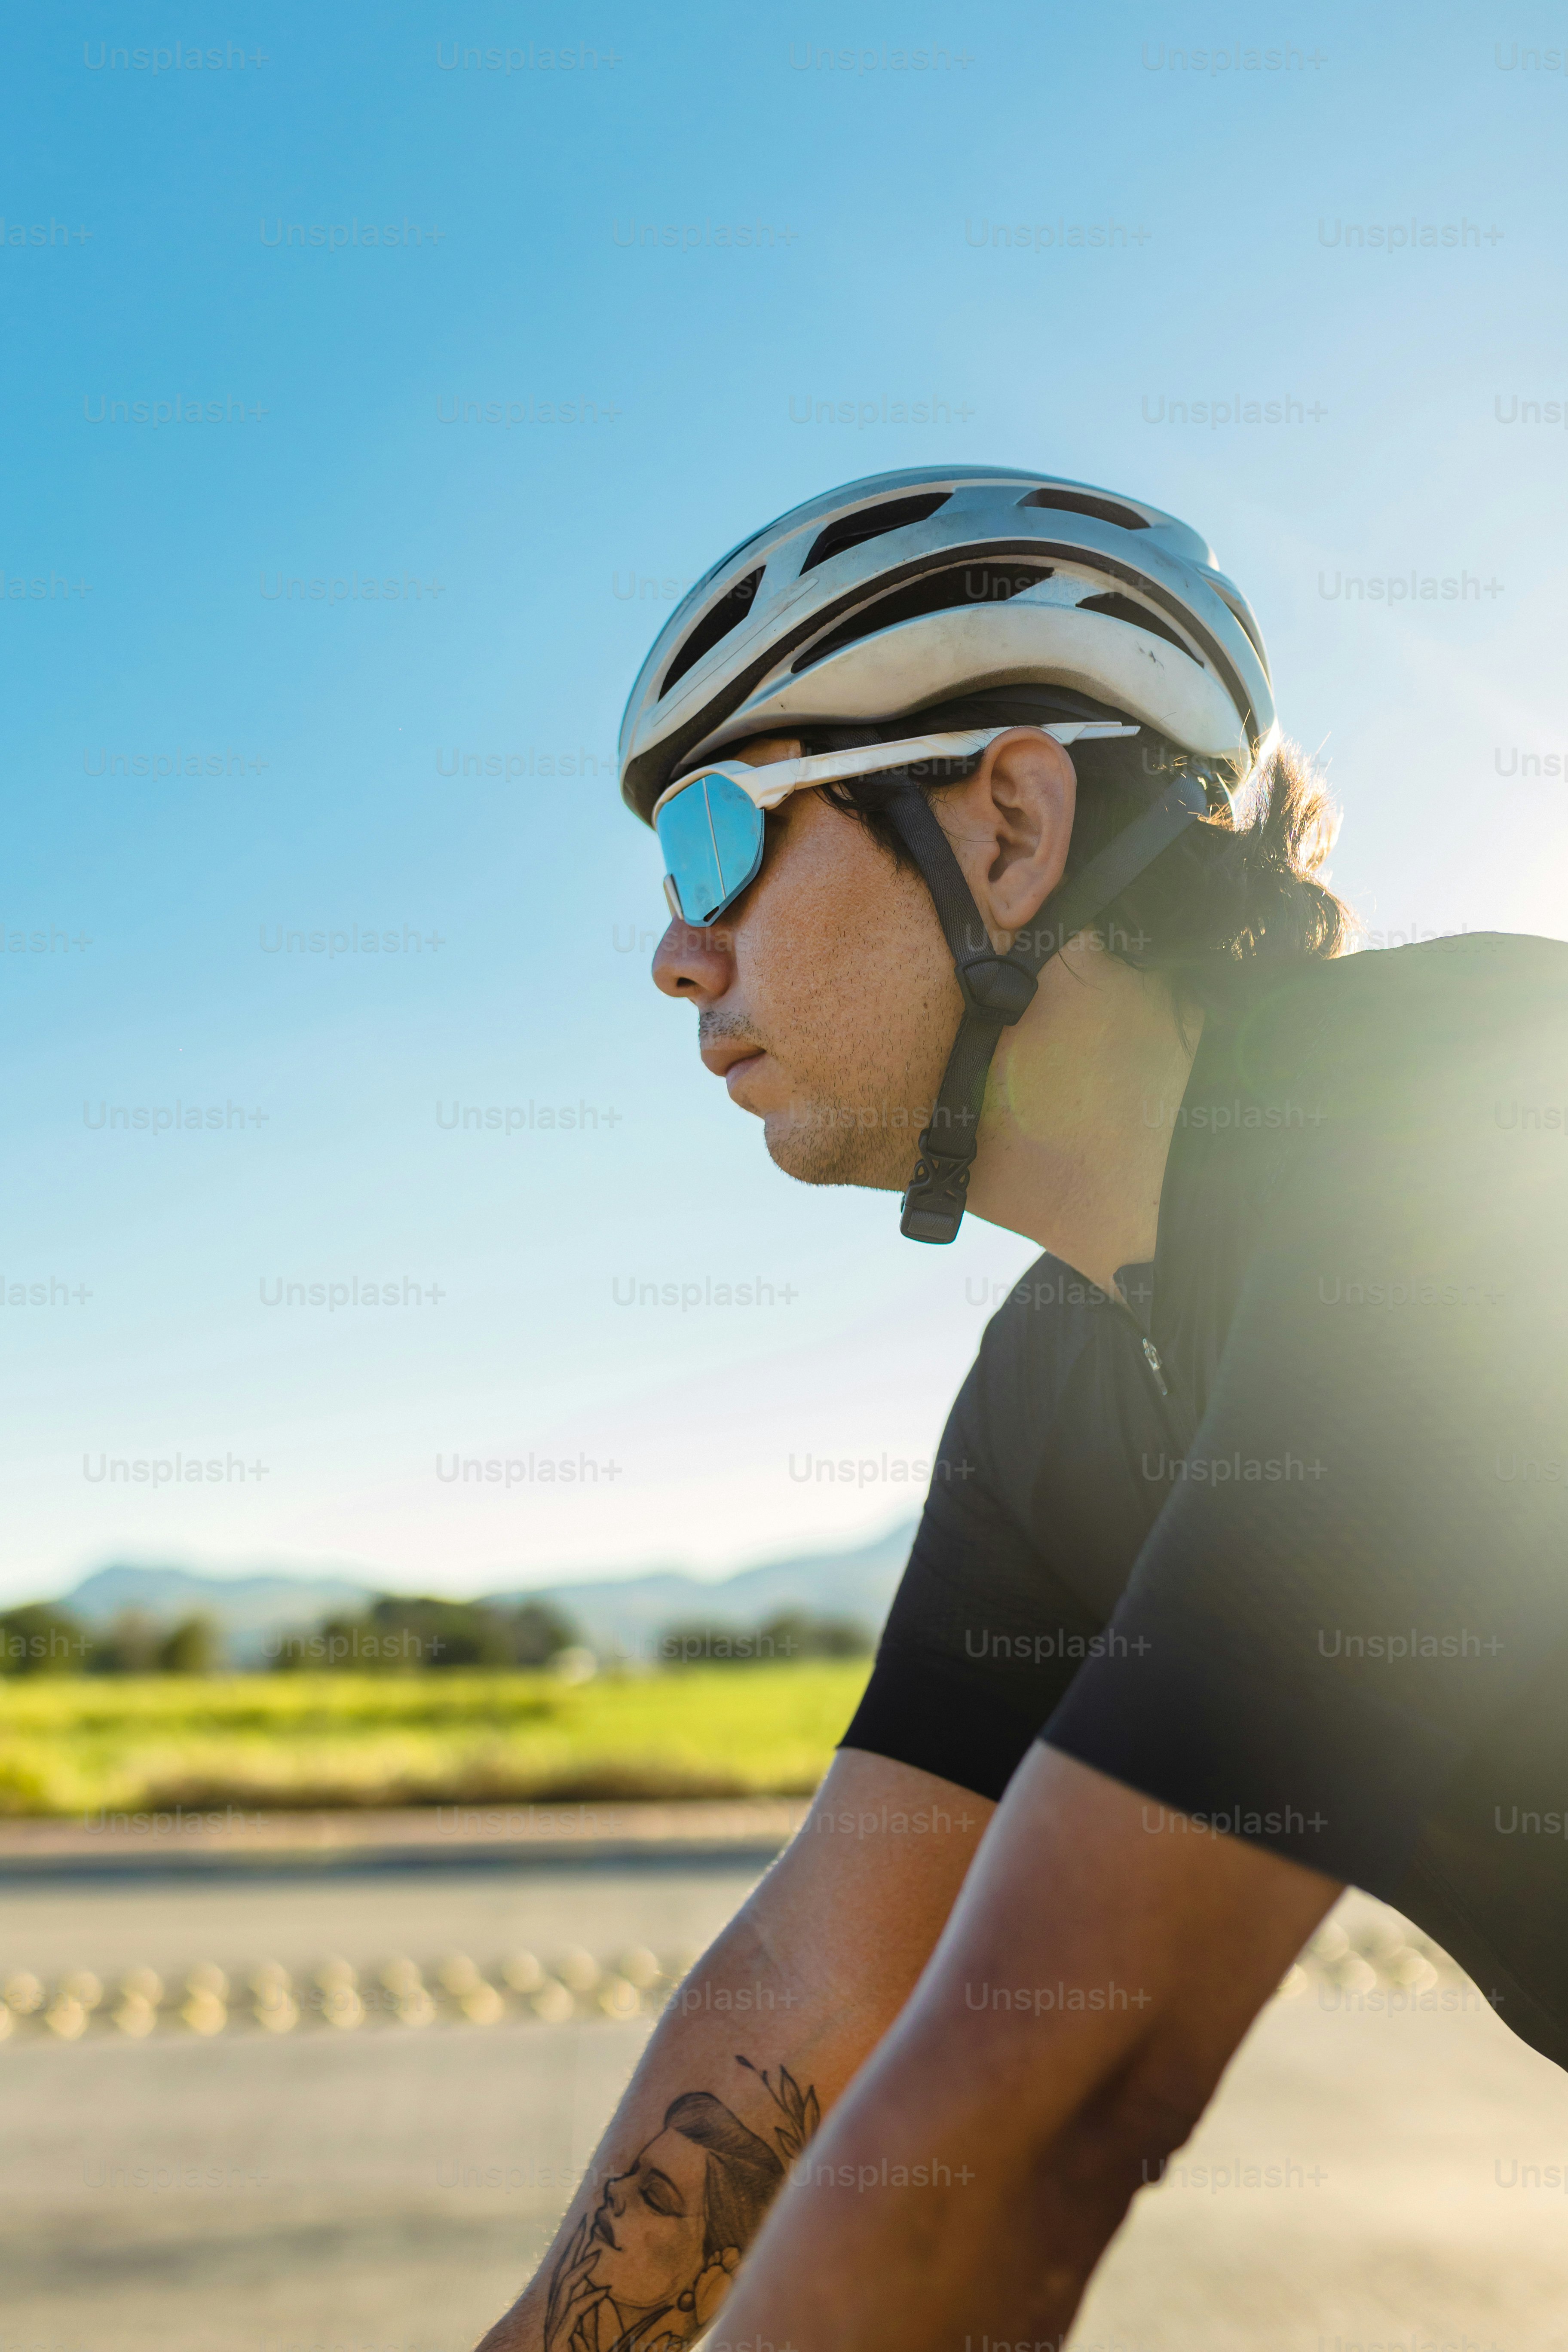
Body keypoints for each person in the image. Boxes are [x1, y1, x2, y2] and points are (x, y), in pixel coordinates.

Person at [478, 466, 1568, 2352]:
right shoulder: (1058, 1389)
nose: (676, 952)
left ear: (1005, 825)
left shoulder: (1466, 1144)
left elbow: (1040, 2117)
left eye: (718, 836)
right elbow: (817, 1987)